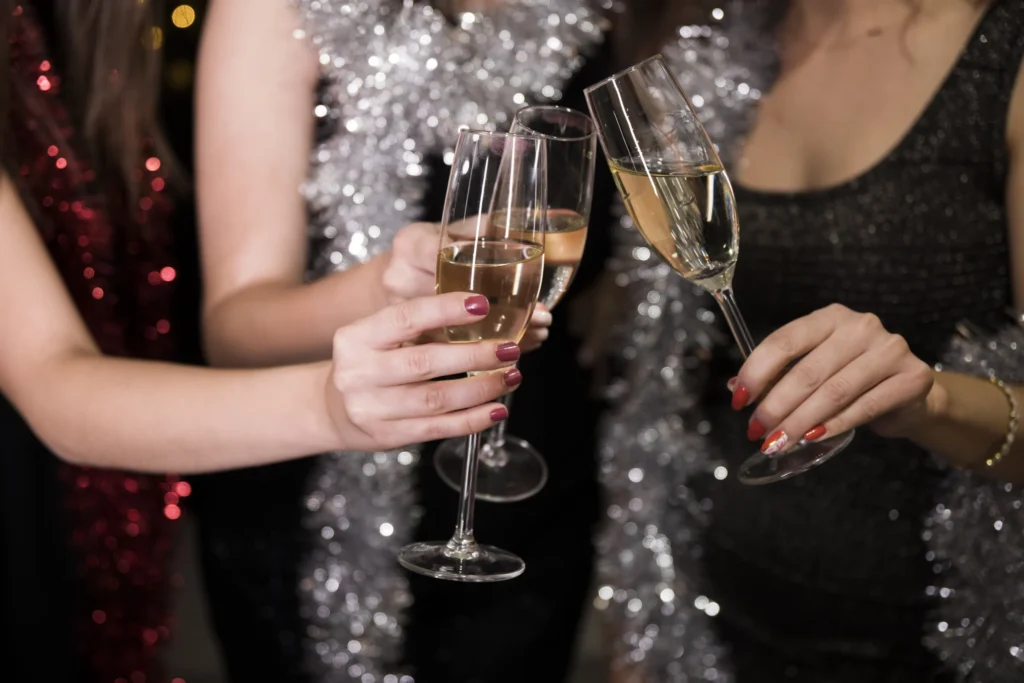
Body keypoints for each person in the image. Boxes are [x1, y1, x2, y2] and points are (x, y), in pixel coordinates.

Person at [0, 2, 519, 681]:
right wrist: (329, 407)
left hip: (90, 535)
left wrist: (397, 284)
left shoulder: (85, 35)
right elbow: (53, 381)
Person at [592, 0, 1024, 681]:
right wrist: (638, 636)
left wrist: (930, 401)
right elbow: (662, 390)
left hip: (937, 646)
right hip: (712, 626)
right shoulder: (720, 44)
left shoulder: (1005, 58)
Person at [191, 0, 609, 681]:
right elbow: (234, 334)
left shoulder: (596, 13)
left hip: (532, 491)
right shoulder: (275, 11)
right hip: (321, 509)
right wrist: (389, 288)